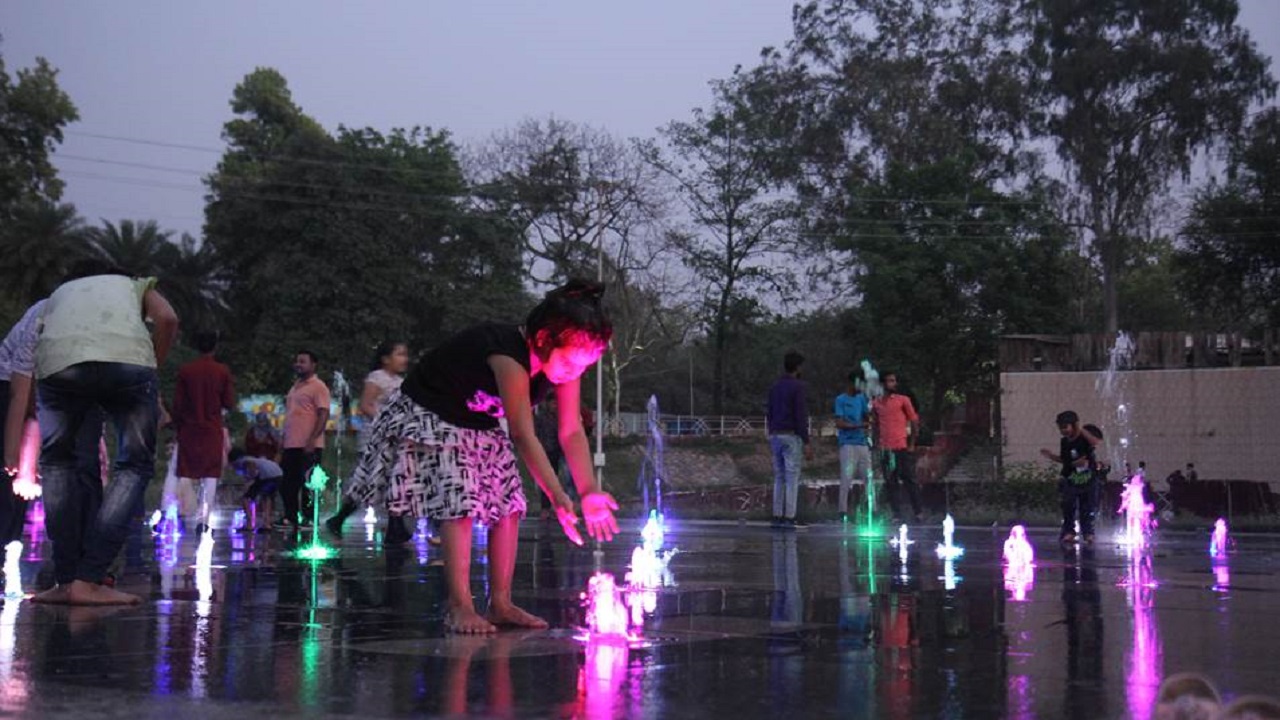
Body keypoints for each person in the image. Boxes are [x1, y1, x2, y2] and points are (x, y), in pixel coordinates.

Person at [343, 279, 620, 633]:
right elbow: (522, 433)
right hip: (432, 411)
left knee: (509, 504)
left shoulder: (565, 364)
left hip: (477, 419)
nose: (575, 372)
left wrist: (587, 491)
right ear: (542, 340)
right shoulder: (507, 355)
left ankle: (501, 603)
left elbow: (571, 430)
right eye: (572, 363)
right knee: (461, 502)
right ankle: (460, 606)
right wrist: (557, 495)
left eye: (586, 365)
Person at [25, 262, 179, 605]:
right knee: (134, 466)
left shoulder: (59, 295)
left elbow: (37, 341)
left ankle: (65, 581)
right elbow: (168, 319)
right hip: (127, 362)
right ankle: (90, 579)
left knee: (57, 465)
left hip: (58, 366)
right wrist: (153, 366)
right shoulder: (134, 284)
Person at [326, 341, 413, 542]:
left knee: (394, 481)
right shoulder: (377, 378)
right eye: (400, 354)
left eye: (405, 354)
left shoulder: (400, 381)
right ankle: (339, 519)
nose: (405, 359)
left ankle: (395, 528)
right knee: (368, 481)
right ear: (385, 359)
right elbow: (365, 406)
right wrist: (386, 423)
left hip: (393, 439)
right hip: (375, 439)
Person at [172, 331, 236, 534]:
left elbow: (178, 404)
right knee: (210, 475)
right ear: (215, 346)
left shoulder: (186, 371)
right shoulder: (222, 371)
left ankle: (177, 514)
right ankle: (204, 520)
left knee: (184, 471)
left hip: (189, 429)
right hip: (211, 430)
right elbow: (229, 402)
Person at [277, 351, 330, 531]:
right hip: (291, 444)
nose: (298, 364)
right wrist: (283, 440)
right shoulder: (295, 387)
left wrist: (312, 439)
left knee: (309, 484)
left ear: (313, 365)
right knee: (287, 483)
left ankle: (309, 518)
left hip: (309, 444)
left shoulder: (318, 386)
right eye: (297, 361)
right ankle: (290, 516)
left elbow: (323, 414)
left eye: (303, 361)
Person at [1040, 410, 1102, 545]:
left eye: (1066, 427)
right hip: (1071, 479)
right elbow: (1066, 460)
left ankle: (1088, 533)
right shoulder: (1065, 442)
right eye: (1060, 428)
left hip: (1088, 480)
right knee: (1068, 506)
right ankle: (1069, 532)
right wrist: (1051, 456)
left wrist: (1081, 429)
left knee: (1087, 508)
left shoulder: (1084, 438)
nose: (1063, 431)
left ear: (1074, 425)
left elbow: (1095, 441)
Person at [767, 351, 812, 529]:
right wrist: (806, 441)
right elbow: (800, 414)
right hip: (791, 434)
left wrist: (771, 430)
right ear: (798, 367)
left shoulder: (775, 387)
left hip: (775, 433)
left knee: (779, 476)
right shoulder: (798, 387)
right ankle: (790, 516)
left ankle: (777, 515)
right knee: (792, 476)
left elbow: (769, 411)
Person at [873, 371, 922, 523]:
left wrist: (912, 443)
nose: (893, 384)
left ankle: (918, 512)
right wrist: (876, 443)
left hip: (901, 446)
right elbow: (876, 424)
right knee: (890, 482)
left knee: (909, 479)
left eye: (894, 381)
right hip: (885, 448)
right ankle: (897, 514)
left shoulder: (903, 400)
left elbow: (914, 421)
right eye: (889, 381)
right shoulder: (876, 403)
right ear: (882, 384)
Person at [833, 369, 872, 523]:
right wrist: (857, 425)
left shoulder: (862, 398)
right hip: (847, 444)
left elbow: (866, 416)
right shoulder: (841, 400)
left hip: (862, 443)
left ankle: (872, 509)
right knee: (846, 478)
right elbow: (839, 422)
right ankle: (842, 511)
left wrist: (869, 418)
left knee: (868, 478)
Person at [228, 447, 283, 533]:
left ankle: (249, 524)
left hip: (266, 476)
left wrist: (250, 480)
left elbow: (251, 465)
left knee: (246, 498)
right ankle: (267, 524)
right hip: (278, 474)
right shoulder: (254, 458)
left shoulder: (242, 461)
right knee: (266, 497)